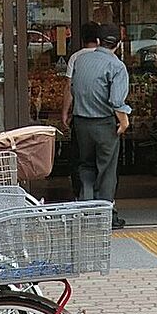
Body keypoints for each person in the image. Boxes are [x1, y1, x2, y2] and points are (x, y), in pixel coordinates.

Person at [69, 23, 131, 229]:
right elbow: (116, 100)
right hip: (104, 123)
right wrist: (124, 121)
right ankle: (106, 215)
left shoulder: (81, 60)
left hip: (80, 121)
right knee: (106, 169)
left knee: (85, 165)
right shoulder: (117, 66)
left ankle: (86, 210)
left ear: (97, 41)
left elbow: (73, 89)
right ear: (118, 44)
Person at [61, 22, 100, 198]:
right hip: (103, 118)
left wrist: (64, 113)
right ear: (99, 38)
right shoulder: (108, 58)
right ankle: (101, 197)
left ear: (83, 39)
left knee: (79, 158)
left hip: (80, 116)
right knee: (101, 159)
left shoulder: (76, 57)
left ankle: (80, 194)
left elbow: (69, 87)